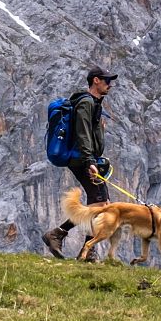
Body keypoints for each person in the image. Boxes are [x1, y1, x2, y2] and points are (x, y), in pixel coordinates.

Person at [42, 65, 118, 261]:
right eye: (107, 81)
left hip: (84, 158)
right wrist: (90, 161)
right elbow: (82, 133)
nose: (110, 85)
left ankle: (85, 251)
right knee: (101, 204)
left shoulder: (93, 103)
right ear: (96, 81)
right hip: (82, 159)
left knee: (101, 204)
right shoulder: (86, 103)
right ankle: (60, 235)